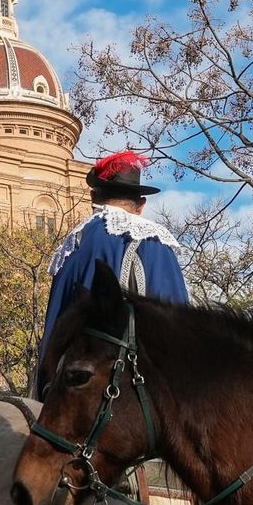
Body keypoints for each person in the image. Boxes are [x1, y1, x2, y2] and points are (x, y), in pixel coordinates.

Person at [35, 150, 189, 399]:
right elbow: (181, 329)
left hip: (84, 396)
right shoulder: (160, 242)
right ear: (141, 205)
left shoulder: (74, 244)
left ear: (94, 197)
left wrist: (44, 393)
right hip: (156, 395)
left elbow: (57, 330)